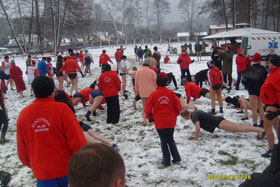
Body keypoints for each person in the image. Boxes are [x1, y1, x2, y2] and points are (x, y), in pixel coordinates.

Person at [17, 76, 87, 186]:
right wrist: (82, 162)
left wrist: (32, 164)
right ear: (53, 91)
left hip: (42, 172)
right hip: (67, 169)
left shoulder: (24, 114)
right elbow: (78, 140)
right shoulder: (62, 109)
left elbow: (22, 147)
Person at [145, 72, 182, 167]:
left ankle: (166, 161)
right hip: (171, 121)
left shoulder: (153, 95)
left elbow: (147, 108)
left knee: (164, 141)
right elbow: (179, 106)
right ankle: (176, 158)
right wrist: (175, 115)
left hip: (160, 122)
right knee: (171, 139)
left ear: (157, 83)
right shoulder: (171, 93)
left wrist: (150, 118)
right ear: (166, 83)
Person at [181, 110, 265, 141]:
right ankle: (258, 130)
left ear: (185, 116)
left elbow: (198, 127)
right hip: (219, 120)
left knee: (239, 128)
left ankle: (259, 130)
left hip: (219, 122)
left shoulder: (193, 117)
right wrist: (195, 130)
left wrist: (196, 138)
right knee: (238, 127)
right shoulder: (194, 113)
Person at [260, 54, 280, 158]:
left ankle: (271, 150)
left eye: (269, 62)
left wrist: (278, 110)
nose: (267, 63)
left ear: (275, 64)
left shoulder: (277, 75)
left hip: (273, 106)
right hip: (270, 104)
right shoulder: (273, 73)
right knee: (277, 127)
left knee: (267, 127)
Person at [242, 52, 267, 127]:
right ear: (260, 60)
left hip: (252, 90)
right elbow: (265, 81)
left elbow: (244, 81)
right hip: (261, 90)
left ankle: (255, 123)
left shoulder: (249, 69)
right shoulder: (263, 70)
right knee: (260, 107)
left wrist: (247, 86)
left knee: (254, 109)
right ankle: (262, 122)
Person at [135, 59, 157, 126]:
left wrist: (137, 90)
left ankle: (145, 121)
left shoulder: (138, 72)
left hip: (142, 91)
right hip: (151, 91)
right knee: (152, 107)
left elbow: (136, 82)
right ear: (149, 64)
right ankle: (151, 120)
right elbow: (155, 82)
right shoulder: (152, 72)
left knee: (144, 107)